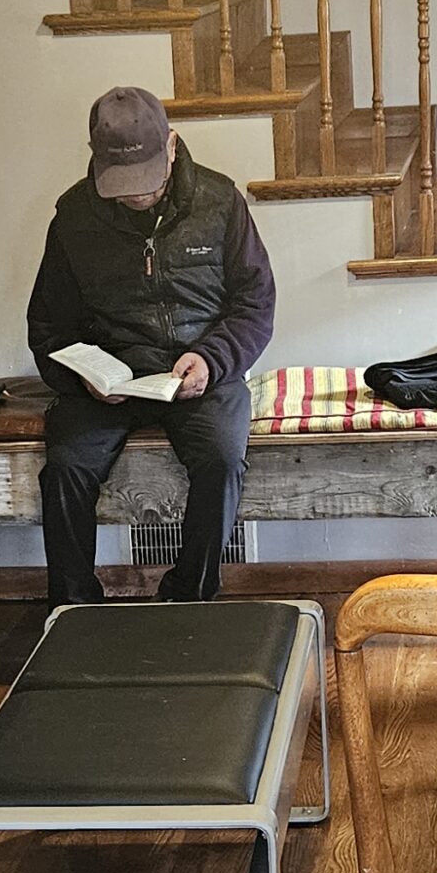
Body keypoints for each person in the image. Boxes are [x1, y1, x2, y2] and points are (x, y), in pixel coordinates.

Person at [28, 87, 275, 605]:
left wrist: (211, 359)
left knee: (222, 460)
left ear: (172, 145)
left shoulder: (220, 200)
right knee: (65, 469)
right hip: (107, 382)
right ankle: (73, 608)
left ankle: (190, 597)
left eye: (145, 177)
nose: (136, 195)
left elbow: (254, 304)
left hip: (200, 370)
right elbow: (48, 325)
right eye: (120, 182)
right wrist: (84, 376)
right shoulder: (74, 216)